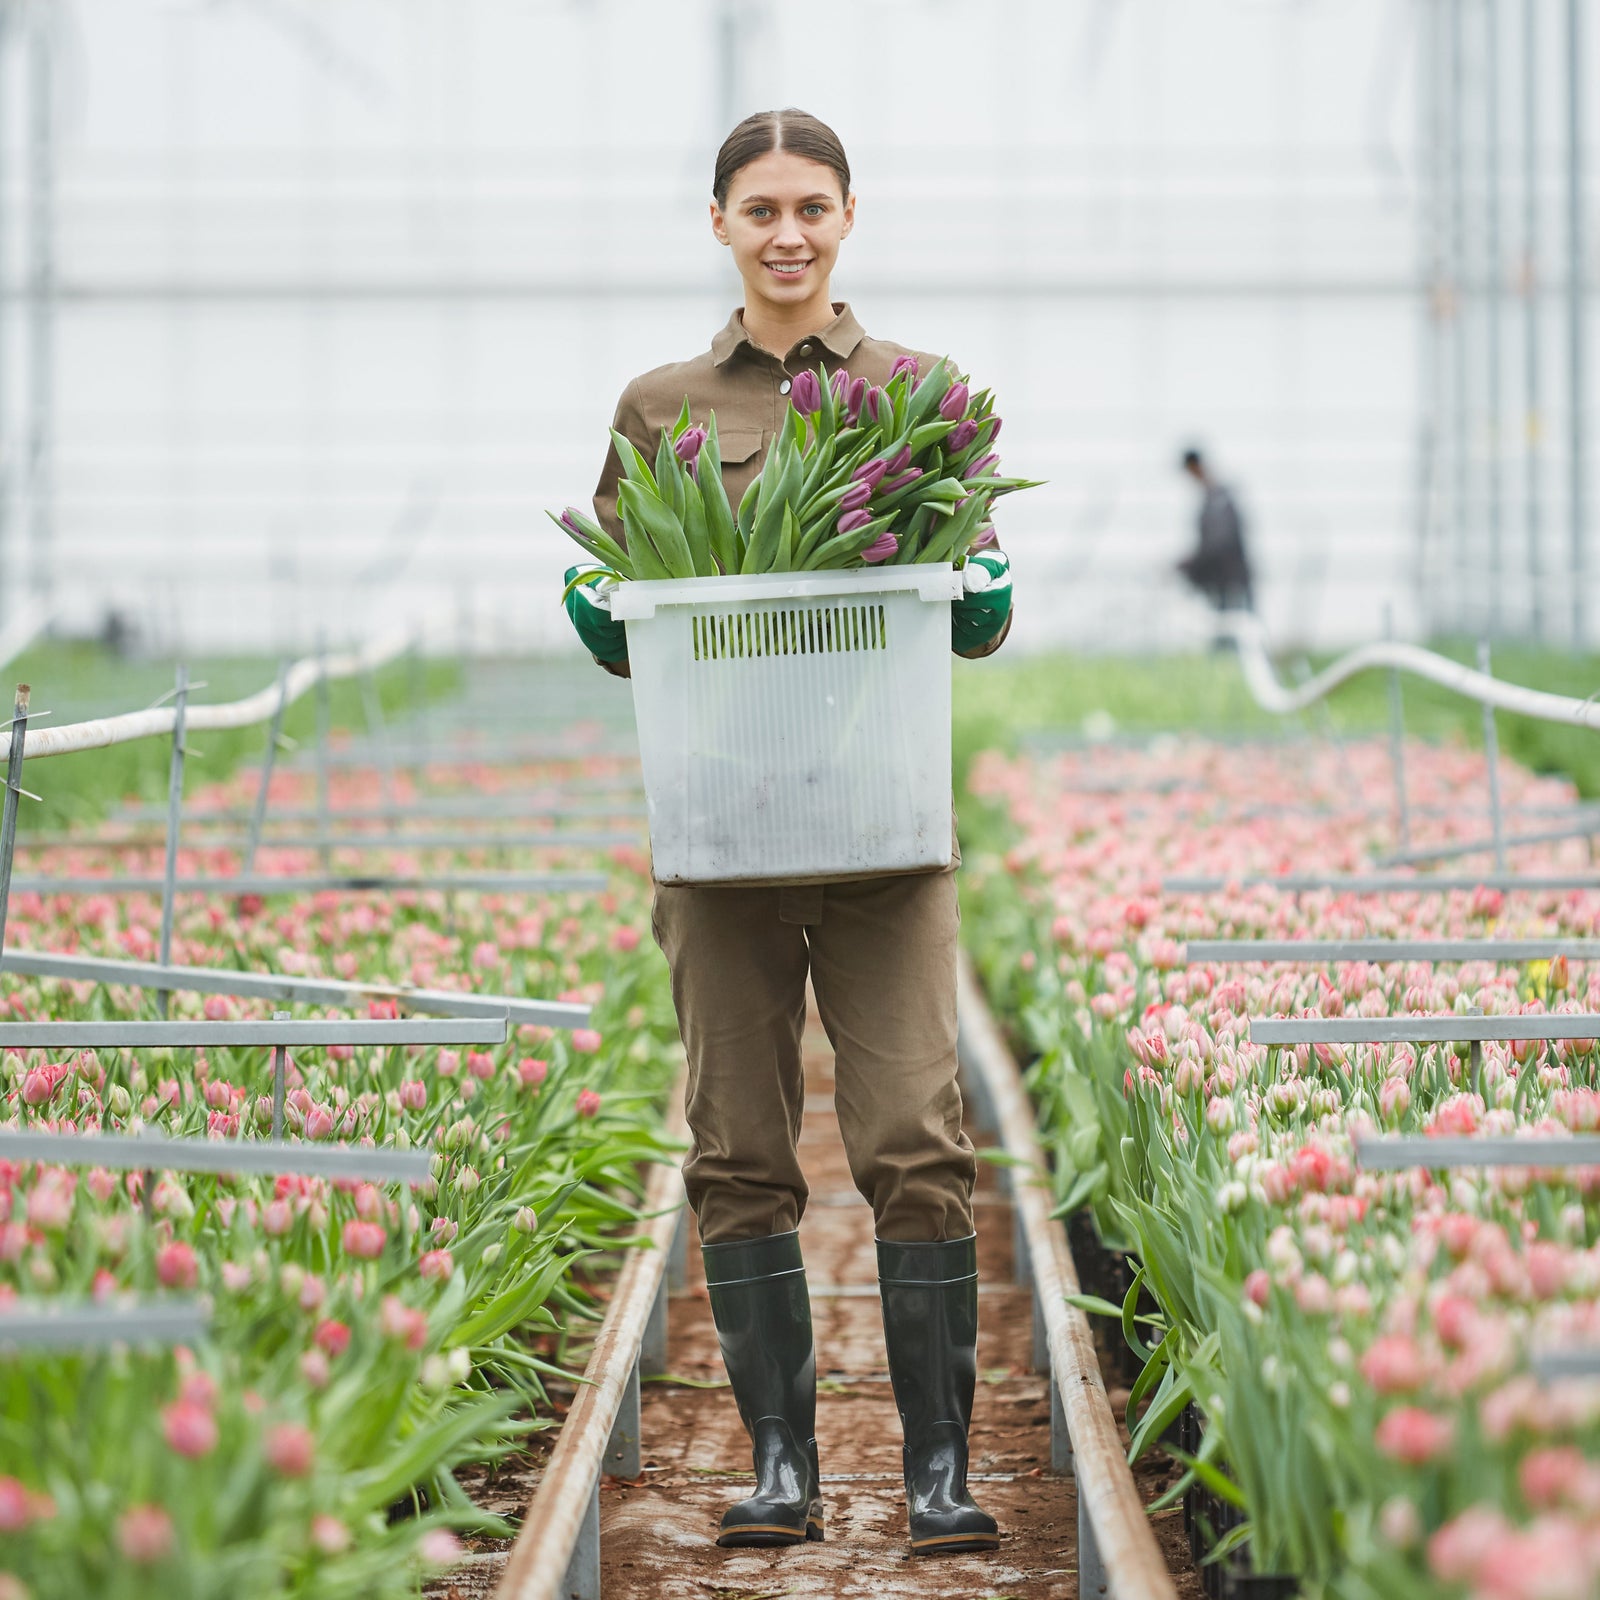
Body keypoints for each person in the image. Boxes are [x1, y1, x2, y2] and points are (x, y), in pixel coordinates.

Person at [561, 109, 1013, 1558]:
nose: (787, 233)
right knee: (739, 1149)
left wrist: (988, 589)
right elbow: (642, 625)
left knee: (912, 1139)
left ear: (848, 215)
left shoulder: (921, 393)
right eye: (759, 209)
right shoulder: (660, 405)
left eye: (810, 206)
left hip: (884, 837)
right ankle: (780, 1467)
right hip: (721, 835)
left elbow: (974, 600)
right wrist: (597, 616)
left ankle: (938, 1474)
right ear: (720, 225)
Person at [1175, 446, 1254, 614]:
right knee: (1226, 617)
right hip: (1222, 573)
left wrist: (1195, 561)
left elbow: (1219, 539)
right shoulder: (1214, 496)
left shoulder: (1219, 497)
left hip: (1229, 572)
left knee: (1235, 619)